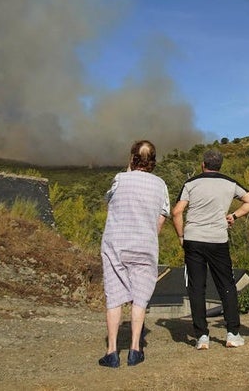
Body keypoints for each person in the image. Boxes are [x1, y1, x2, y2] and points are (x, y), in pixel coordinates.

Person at [171, 149, 249, 350]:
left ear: (203, 165)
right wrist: (234, 216)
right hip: (218, 240)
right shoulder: (229, 183)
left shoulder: (191, 183)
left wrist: (181, 236)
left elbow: (177, 212)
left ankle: (202, 336)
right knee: (226, 285)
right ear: (220, 165)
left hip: (193, 239)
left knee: (196, 287)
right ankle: (233, 333)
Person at [99, 140, 170, 368]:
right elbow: (161, 218)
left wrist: (128, 171)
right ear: (154, 161)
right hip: (145, 244)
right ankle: (135, 349)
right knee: (140, 297)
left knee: (114, 294)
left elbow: (109, 203)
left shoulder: (120, 179)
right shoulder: (160, 185)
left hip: (116, 244)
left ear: (132, 158)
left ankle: (111, 352)